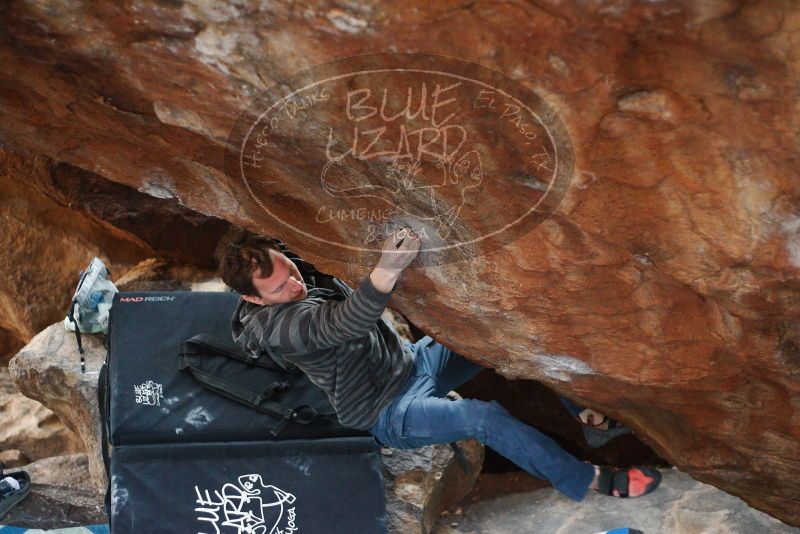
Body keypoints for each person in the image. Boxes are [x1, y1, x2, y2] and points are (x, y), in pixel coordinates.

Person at [216, 225, 661, 500]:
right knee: (480, 416)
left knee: (498, 336)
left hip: (412, 363)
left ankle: (584, 418)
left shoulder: (294, 276)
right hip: (388, 410)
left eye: (289, 270)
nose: (294, 284)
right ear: (252, 298)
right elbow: (343, 325)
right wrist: (387, 270)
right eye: (279, 288)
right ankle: (586, 479)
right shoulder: (278, 328)